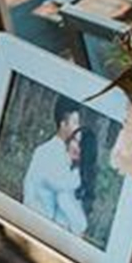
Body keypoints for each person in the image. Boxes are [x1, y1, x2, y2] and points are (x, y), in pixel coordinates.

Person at [21, 95, 89, 235]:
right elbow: (63, 187)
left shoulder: (62, 153)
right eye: (75, 122)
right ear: (63, 125)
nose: (78, 128)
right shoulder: (49, 152)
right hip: (36, 224)